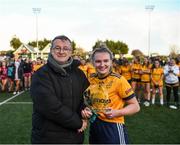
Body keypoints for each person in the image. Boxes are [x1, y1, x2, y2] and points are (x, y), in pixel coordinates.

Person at [30, 35, 89, 144]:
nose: (61, 51)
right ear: (51, 50)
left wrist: (85, 110)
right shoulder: (41, 75)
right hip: (48, 138)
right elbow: (50, 107)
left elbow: (86, 98)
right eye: (57, 48)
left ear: (71, 52)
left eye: (66, 48)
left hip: (75, 137)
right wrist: (78, 122)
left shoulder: (79, 73)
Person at [82, 46, 140, 144]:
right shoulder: (91, 79)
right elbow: (89, 101)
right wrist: (87, 110)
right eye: (98, 61)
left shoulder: (119, 80)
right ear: (93, 62)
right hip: (95, 125)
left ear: (111, 61)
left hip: (113, 126)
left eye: (105, 61)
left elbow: (135, 106)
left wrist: (117, 112)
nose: (102, 64)